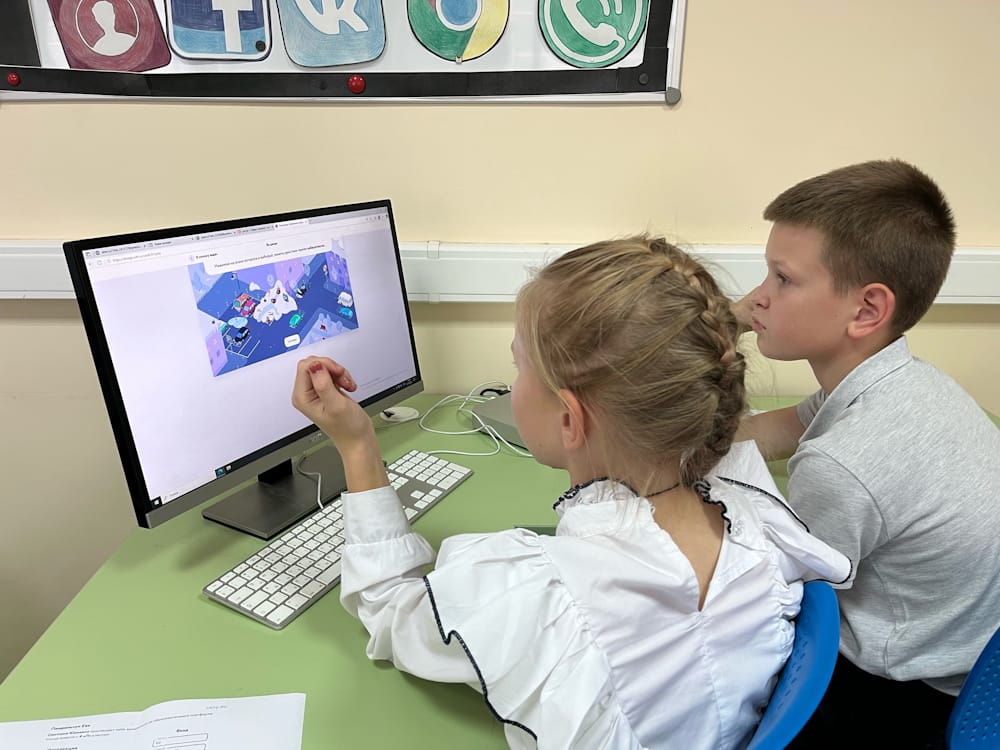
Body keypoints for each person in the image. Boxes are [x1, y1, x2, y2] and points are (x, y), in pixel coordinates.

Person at [291, 236, 850, 749]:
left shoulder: (540, 595)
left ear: (568, 419)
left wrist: (357, 445)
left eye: (518, 367)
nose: (513, 385)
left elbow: (390, 607)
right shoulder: (756, 518)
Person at [732, 159, 1000, 748]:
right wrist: (683, 438)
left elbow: (773, 596)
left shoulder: (842, 464)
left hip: (905, 697)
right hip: (971, 655)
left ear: (867, 310)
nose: (756, 300)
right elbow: (789, 424)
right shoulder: (902, 383)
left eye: (782, 279)